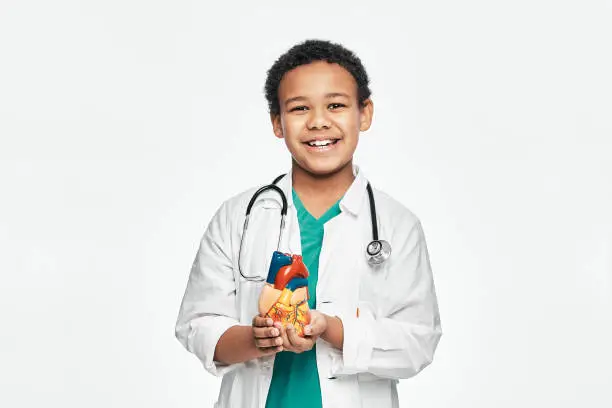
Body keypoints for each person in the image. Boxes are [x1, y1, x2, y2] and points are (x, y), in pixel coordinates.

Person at [175, 39, 442, 408]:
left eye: (336, 105)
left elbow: (418, 342)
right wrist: (257, 339)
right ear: (277, 123)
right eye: (299, 108)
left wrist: (331, 329)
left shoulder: (398, 226)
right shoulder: (239, 217)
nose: (318, 121)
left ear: (364, 114)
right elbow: (198, 324)